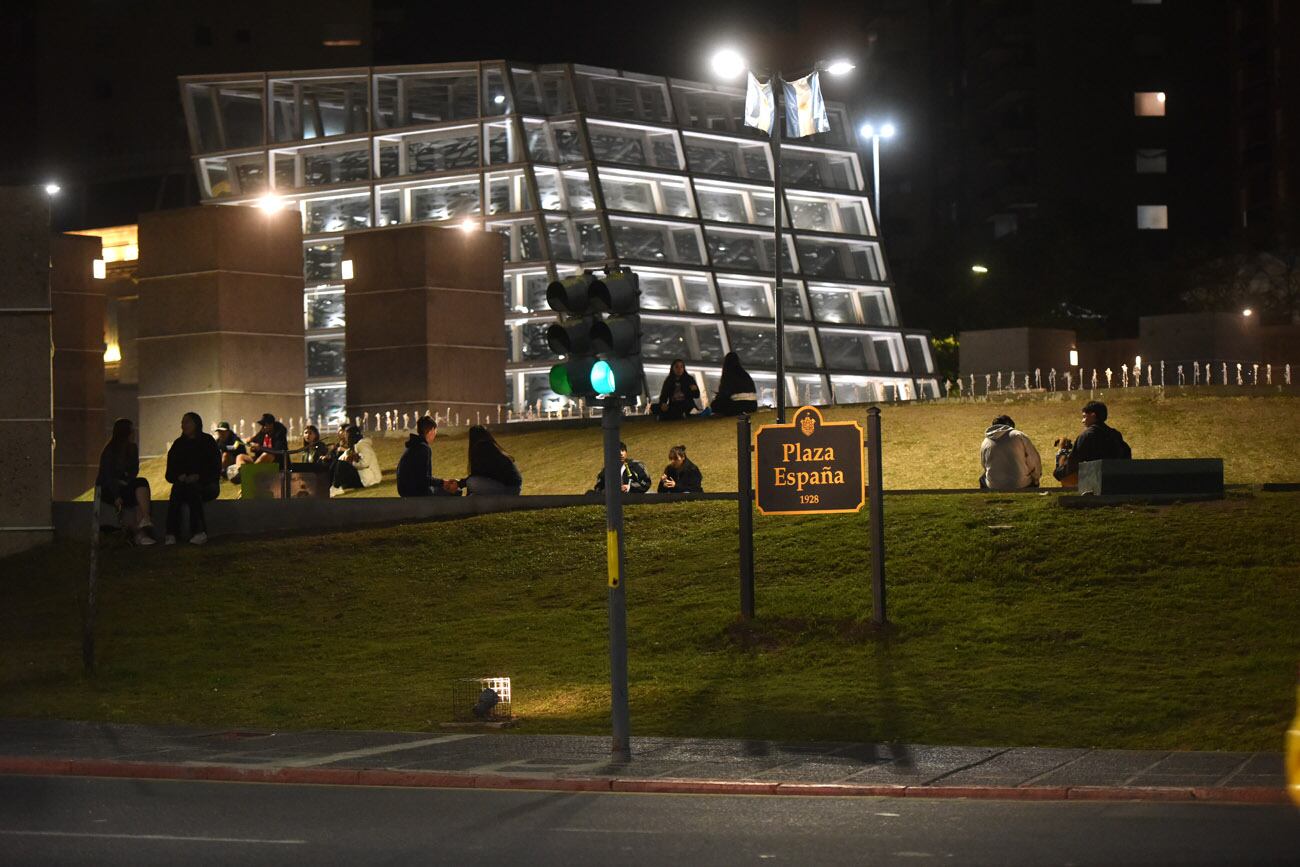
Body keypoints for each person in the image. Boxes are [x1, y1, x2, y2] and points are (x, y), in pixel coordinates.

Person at [163, 411, 221, 545]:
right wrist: (179, 476)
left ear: (196, 424)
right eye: (182, 422)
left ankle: (199, 531)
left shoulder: (207, 441)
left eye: (187, 422)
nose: (183, 425)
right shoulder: (178, 444)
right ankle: (171, 533)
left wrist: (199, 476)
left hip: (207, 484)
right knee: (177, 489)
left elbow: (215, 468)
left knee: (193, 489)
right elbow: (170, 472)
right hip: (183, 484)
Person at [96, 417, 156, 546]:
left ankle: (145, 519)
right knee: (136, 492)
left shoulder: (132, 449)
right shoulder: (109, 451)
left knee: (141, 483)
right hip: (109, 489)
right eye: (132, 431)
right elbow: (108, 476)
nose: (134, 433)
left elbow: (134, 470)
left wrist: (125, 479)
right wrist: (116, 495)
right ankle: (140, 534)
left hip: (125, 484)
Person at [1053, 400, 1133, 482]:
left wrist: (1058, 473)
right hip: (1116, 481)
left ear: (1093, 415)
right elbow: (1126, 454)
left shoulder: (1087, 436)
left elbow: (1073, 462)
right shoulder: (1116, 434)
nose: (1082, 421)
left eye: (1084, 417)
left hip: (1095, 482)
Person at [397, 416, 460, 497]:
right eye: (435, 430)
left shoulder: (413, 446)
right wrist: (443, 483)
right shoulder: (423, 449)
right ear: (431, 431)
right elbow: (424, 479)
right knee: (456, 491)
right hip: (416, 493)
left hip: (406, 490)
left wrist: (442, 482)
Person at [979, 415, 1042, 491]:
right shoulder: (1018, 435)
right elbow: (1034, 460)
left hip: (994, 485)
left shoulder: (985, 442)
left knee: (982, 478)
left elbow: (984, 464)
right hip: (1021, 484)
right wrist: (1036, 478)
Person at [460, 425, 523, 495]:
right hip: (513, 487)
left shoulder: (483, 448)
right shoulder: (492, 447)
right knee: (473, 493)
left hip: (509, 488)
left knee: (471, 482)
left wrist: (462, 483)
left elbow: (479, 475)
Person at [330, 425, 381, 494]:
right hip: (363, 475)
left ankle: (335, 488)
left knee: (341, 464)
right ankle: (332, 485)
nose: (345, 438)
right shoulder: (354, 447)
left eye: (346, 435)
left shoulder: (363, 445)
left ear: (352, 436)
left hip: (371, 479)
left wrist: (351, 462)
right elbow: (341, 459)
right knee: (337, 462)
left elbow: (365, 463)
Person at [711, 351, 758, 416]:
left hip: (739, 406)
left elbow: (725, 393)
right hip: (753, 405)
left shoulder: (728, 374)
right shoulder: (745, 374)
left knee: (715, 405)